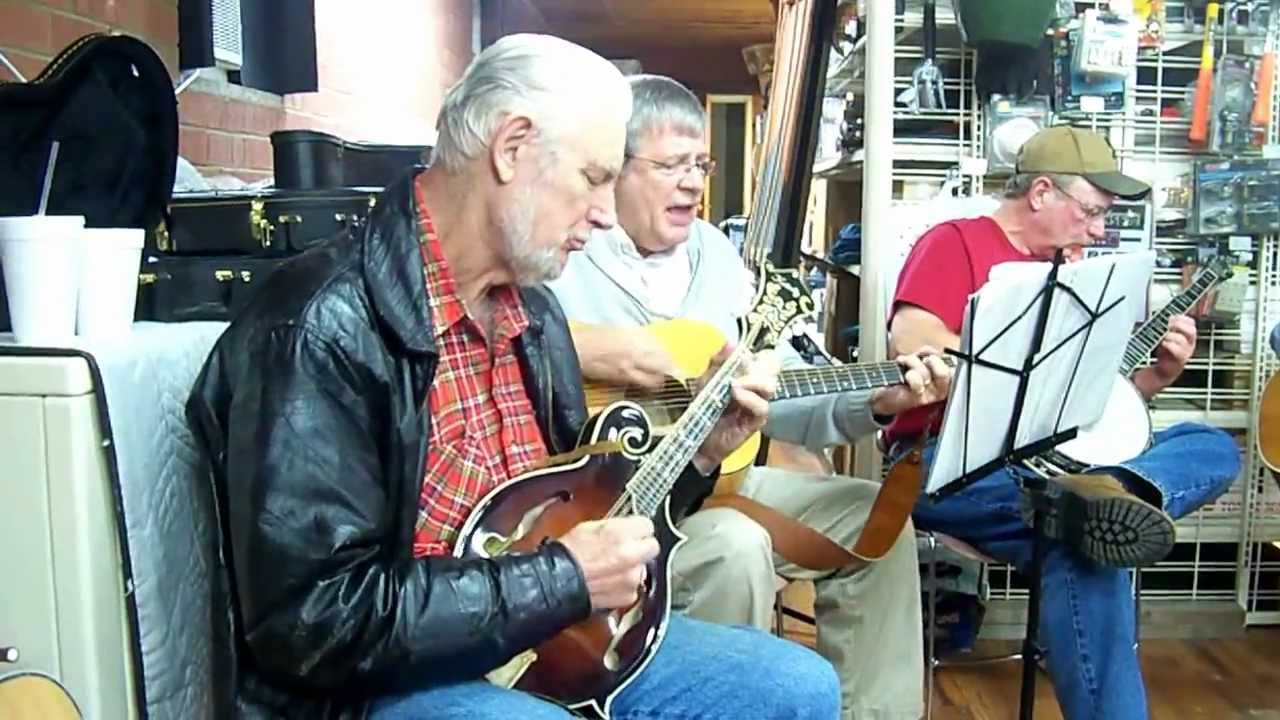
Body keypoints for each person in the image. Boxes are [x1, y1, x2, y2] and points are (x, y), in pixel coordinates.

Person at [186, 35, 842, 720]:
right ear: (512, 148)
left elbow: (588, 507)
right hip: (379, 687)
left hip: (548, 646)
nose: (606, 212)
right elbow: (311, 622)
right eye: (593, 177)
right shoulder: (317, 326)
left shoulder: (535, 313)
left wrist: (704, 449)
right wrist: (561, 580)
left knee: (797, 688)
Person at [547, 73, 953, 720]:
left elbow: (782, 386)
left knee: (878, 521)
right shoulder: (564, 252)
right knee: (736, 547)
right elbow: (509, 347)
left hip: (713, 484)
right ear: (615, 169)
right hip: (605, 508)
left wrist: (878, 401)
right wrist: (610, 352)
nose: (693, 181)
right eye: (672, 164)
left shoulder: (717, 257)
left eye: (700, 163)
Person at [886, 125, 1242, 720]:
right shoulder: (955, 243)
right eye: (1092, 212)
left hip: (1063, 462)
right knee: (1085, 545)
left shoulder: (1073, 271)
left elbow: (1090, 409)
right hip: (951, 461)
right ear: (1042, 192)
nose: (1100, 230)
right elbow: (914, 342)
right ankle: (1094, 503)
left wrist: (1152, 379)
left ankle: (1114, 495)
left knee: (1210, 444)